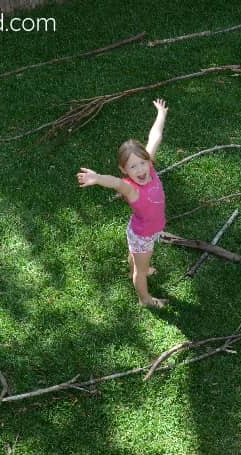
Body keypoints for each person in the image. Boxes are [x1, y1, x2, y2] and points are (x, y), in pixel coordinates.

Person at [77, 99, 169, 308]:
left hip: (146, 230)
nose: (140, 169)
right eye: (133, 167)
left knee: (137, 258)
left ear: (148, 160)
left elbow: (155, 137)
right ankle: (144, 298)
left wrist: (161, 114)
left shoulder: (149, 167)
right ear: (124, 170)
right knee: (140, 271)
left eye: (142, 163)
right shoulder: (131, 189)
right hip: (143, 235)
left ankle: (136, 267)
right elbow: (116, 183)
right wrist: (98, 178)